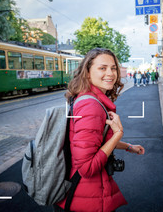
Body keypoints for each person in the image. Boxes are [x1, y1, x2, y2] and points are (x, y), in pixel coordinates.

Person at [56, 48, 145, 212]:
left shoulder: (86, 97)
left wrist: (128, 147)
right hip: (85, 200)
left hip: (82, 195)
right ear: (88, 73)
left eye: (113, 68)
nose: (110, 73)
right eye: (102, 68)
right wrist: (118, 133)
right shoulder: (91, 106)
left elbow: (96, 141)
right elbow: (87, 168)